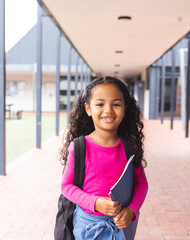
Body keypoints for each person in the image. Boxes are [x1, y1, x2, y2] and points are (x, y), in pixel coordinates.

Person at [60, 76, 148, 239]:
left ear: (125, 108)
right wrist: (95, 203)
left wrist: (132, 210)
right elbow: (66, 186)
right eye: (100, 104)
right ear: (88, 109)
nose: (108, 110)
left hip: (121, 227)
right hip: (88, 227)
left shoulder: (130, 146)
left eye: (116, 104)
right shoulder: (80, 147)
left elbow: (141, 183)